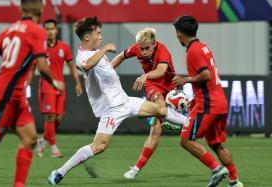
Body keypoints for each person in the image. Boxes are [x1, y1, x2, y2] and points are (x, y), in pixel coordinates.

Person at [48, 16, 186, 185]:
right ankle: (59, 172)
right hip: (111, 110)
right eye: (98, 33)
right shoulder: (83, 55)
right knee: (99, 146)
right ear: (87, 37)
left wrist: (113, 75)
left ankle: (192, 123)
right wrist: (105, 49)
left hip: (125, 102)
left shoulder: (97, 54)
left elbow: (105, 68)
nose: (101, 37)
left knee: (161, 110)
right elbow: (86, 65)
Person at [0, 0, 64, 186]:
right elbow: (41, 66)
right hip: (6, 95)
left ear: (20, 8)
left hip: (16, 96)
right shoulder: (36, 30)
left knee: (30, 139)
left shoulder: (9, 30)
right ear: (40, 9)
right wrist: (55, 83)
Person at [172, 16, 243, 187]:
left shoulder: (193, 51)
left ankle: (217, 169)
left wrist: (185, 80)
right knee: (215, 144)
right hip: (219, 102)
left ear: (180, 34)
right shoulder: (203, 47)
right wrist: (195, 99)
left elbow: (206, 75)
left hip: (209, 104)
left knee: (186, 140)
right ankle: (234, 180)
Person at [111, 27, 182, 179]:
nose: (143, 52)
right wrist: (109, 72)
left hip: (170, 85)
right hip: (152, 84)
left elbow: (161, 71)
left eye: (147, 48)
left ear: (154, 44)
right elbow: (120, 56)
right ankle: (136, 169)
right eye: (141, 49)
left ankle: (157, 118)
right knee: (157, 118)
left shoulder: (163, 51)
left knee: (158, 122)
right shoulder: (136, 48)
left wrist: (145, 75)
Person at [36, 19, 83, 158]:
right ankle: (54, 149)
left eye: (52, 28)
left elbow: (71, 66)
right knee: (50, 117)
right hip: (46, 86)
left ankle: (42, 141)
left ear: (56, 30)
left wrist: (77, 83)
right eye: (47, 29)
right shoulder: (40, 47)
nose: (50, 31)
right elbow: (34, 65)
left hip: (60, 87)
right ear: (44, 31)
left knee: (58, 119)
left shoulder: (64, 47)